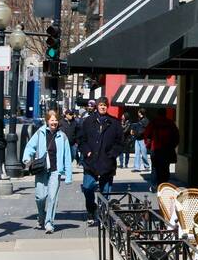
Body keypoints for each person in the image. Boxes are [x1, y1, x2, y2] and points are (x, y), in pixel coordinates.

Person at [22, 109, 73, 233]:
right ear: (47, 121)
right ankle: (41, 215)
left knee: (52, 197)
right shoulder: (40, 133)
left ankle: (49, 222)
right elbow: (30, 146)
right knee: (40, 197)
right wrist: (27, 158)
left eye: (56, 120)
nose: (54, 122)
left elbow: (67, 156)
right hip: (41, 170)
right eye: (51, 120)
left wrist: (68, 176)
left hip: (56, 171)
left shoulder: (63, 136)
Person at [76, 96, 122, 225]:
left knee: (105, 192)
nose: (103, 107)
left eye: (105, 105)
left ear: (107, 107)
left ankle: (103, 214)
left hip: (107, 162)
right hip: (91, 161)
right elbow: (81, 139)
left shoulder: (115, 123)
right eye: (101, 105)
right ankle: (91, 209)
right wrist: (87, 152)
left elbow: (120, 143)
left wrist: (112, 154)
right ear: (97, 106)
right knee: (87, 187)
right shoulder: (88, 121)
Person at [145, 108, 180, 187]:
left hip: (155, 149)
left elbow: (147, 135)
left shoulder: (153, 123)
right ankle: (164, 186)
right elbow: (176, 136)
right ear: (165, 113)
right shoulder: (170, 123)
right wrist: (172, 146)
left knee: (154, 168)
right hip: (167, 149)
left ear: (158, 114)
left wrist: (148, 146)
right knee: (165, 168)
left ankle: (154, 186)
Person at [128, 108, 149, 173]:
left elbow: (145, 130)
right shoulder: (139, 120)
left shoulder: (146, 121)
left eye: (138, 112)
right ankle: (137, 167)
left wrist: (138, 132)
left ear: (140, 113)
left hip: (143, 139)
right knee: (137, 153)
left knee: (144, 154)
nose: (137, 113)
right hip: (137, 139)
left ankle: (147, 166)